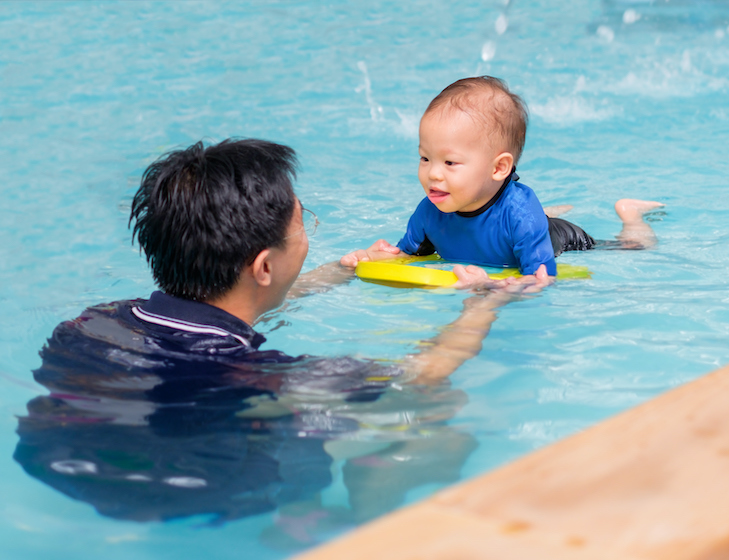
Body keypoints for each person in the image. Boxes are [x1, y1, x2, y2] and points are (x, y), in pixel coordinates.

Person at [15, 138, 536, 529]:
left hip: (60, 465)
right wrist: (480, 306)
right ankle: (335, 513)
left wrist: (343, 269)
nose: (307, 234)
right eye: (303, 223)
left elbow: (223, 313)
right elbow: (425, 373)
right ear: (264, 266)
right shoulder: (273, 379)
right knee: (440, 412)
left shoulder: (92, 322)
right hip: (204, 498)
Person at [340, 76, 664, 288]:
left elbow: (541, 279)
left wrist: (495, 285)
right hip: (511, 222)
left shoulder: (521, 216)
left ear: (499, 168)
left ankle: (630, 214)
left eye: (450, 162)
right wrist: (370, 255)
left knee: (633, 250)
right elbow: (409, 255)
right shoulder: (430, 210)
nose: (433, 174)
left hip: (561, 239)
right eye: (425, 158)